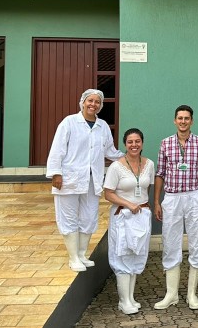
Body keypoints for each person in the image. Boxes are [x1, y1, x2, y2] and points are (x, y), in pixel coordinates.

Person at [46, 89, 123, 272]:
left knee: (89, 217)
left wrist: (128, 157)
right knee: (68, 217)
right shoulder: (69, 122)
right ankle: (73, 258)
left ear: (100, 105)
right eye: (90, 100)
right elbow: (57, 148)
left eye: (97, 102)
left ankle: (82, 254)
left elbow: (110, 151)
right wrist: (56, 173)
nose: (93, 104)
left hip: (92, 180)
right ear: (82, 102)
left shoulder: (102, 126)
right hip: (69, 178)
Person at [153, 105, 198, 310]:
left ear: (192, 121)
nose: (183, 121)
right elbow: (160, 174)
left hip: (194, 197)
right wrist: (156, 201)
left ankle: (191, 294)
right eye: (180, 118)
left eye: (187, 118)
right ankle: (171, 294)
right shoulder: (166, 144)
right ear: (174, 120)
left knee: (197, 243)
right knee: (170, 242)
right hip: (172, 197)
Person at [103, 128, 155, 315]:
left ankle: (130, 298)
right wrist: (128, 204)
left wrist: (142, 207)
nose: (134, 145)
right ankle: (124, 301)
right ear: (125, 144)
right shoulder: (116, 167)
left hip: (141, 215)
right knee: (122, 257)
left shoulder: (149, 164)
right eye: (130, 142)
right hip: (122, 216)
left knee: (136, 256)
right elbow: (108, 193)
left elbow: (146, 188)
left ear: (142, 143)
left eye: (137, 141)